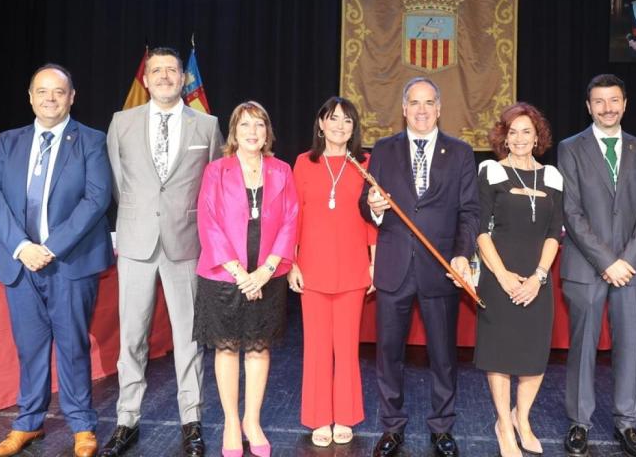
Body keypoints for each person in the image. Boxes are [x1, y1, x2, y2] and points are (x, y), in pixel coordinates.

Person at [0, 64, 113, 457]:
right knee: (30, 346)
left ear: (72, 97)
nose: (50, 98)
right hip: (20, 262)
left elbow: (96, 199)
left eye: (59, 92)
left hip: (69, 262)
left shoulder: (90, 140)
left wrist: (51, 247)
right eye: (42, 92)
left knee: (72, 345)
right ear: (30, 97)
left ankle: (82, 426)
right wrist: (22, 246)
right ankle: (28, 423)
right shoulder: (9, 141)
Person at [101, 47, 223, 457]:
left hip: (186, 244)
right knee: (131, 338)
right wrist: (138, 219)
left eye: (173, 70)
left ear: (182, 78)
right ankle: (126, 421)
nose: (166, 76)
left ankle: (191, 422)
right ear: (146, 79)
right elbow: (119, 183)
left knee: (189, 339)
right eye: (158, 71)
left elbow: (215, 187)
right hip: (136, 242)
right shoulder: (121, 122)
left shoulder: (206, 125)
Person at [362, 77, 479, 457]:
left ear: (440, 108)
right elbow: (367, 202)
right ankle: (392, 426)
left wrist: (462, 254)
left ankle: (442, 427)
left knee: (443, 356)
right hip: (395, 267)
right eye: (415, 102)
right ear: (404, 108)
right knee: (389, 353)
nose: (422, 109)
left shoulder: (460, 153)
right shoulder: (383, 149)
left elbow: (469, 212)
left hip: (439, 267)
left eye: (429, 102)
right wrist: (373, 207)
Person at [557, 74, 636, 457]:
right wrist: (606, 262)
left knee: (630, 347)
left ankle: (627, 423)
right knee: (582, 347)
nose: (607, 108)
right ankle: (579, 423)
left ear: (625, 103)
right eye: (599, 102)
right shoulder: (571, 148)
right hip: (586, 266)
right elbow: (571, 211)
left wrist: (626, 262)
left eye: (614, 100)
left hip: (631, 271)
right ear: (588, 106)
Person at [195, 101, 298, 457]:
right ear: (233, 133)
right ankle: (229, 422)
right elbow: (208, 223)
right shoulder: (216, 171)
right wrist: (241, 274)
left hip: (267, 276)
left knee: (258, 347)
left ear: (267, 132)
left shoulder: (282, 170)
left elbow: (291, 221)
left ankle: (252, 421)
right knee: (226, 346)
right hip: (225, 275)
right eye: (245, 126)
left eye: (259, 125)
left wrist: (266, 271)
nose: (252, 132)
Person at [475, 102, 563, 457]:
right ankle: (502, 424)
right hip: (500, 278)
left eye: (527, 131)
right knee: (500, 356)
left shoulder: (553, 176)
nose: (521, 138)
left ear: (537, 135)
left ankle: (521, 418)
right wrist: (503, 277)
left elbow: (554, 233)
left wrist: (538, 278)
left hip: (536, 279)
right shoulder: (491, 172)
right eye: (513, 132)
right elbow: (480, 232)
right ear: (504, 138)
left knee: (533, 355)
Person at [289, 96, 377, 447]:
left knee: (346, 347)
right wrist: (291, 262)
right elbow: (292, 215)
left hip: (354, 267)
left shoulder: (365, 164)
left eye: (347, 121)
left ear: (354, 129)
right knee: (316, 347)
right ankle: (318, 418)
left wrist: (375, 262)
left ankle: (345, 415)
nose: (340, 126)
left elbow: (372, 218)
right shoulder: (303, 162)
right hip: (312, 267)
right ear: (321, 124)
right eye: (333, 119)